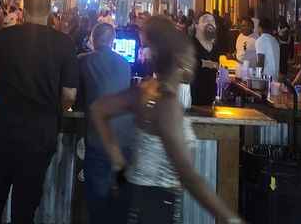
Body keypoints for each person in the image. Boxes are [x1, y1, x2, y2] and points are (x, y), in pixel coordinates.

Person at [90, 16, 244, 224]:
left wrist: (118, 161)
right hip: (155, 206)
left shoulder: (146, 90)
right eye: (191, 56)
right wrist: (229, 218)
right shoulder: (167, 105)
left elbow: (98, 109)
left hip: (135, 199)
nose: (194, 61)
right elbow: (188, 176)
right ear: (181, 61)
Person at [0, 0, 78, 224]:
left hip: (3, 128)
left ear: (23, 8)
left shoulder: (5, 36)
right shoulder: (64, 44)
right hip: (39, 132)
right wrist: (56, 109)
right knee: (25, 204)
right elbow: (69, 94)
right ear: (50, 9)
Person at [78, 23, 134, 224]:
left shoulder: (84, 62)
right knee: (119, 205)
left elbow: (77, 100)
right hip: (125, 143)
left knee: (97, 204)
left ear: (92, 40)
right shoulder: (125, 63)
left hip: (99, 140)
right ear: (113, 41)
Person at [190, 14, 221, 106]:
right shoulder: (189, 44)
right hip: (193, 98)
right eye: (205, 21)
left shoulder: (215, 48)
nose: (209, 23)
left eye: (212, 21)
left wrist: (207, 64)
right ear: (196, 25)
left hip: (210, 99)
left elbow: (216, 67)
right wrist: (210, 64)